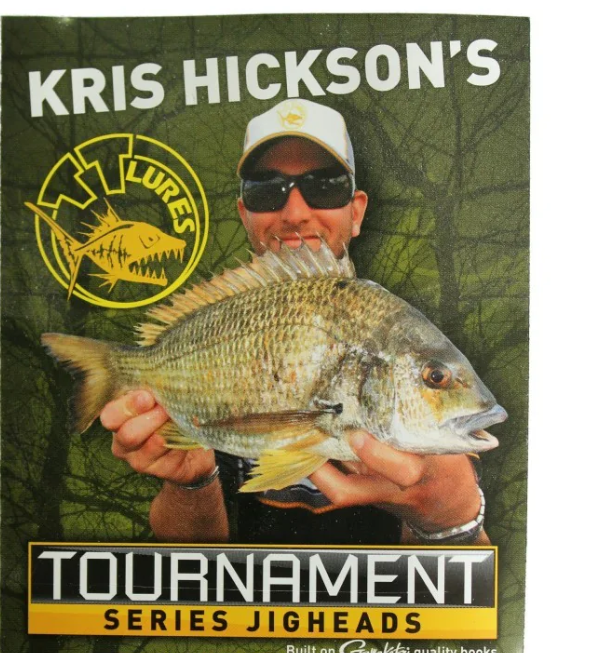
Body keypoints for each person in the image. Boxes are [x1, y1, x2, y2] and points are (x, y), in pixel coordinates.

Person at [99, 98, 487, 545]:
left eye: (324, 186)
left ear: (357, 211)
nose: (295, 213)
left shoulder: (414, 344)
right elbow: (189, 566)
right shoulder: (210, 339)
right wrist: (191, 482)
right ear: (244, 214)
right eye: (266, 190)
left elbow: (466, 580)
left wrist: (451, 517)